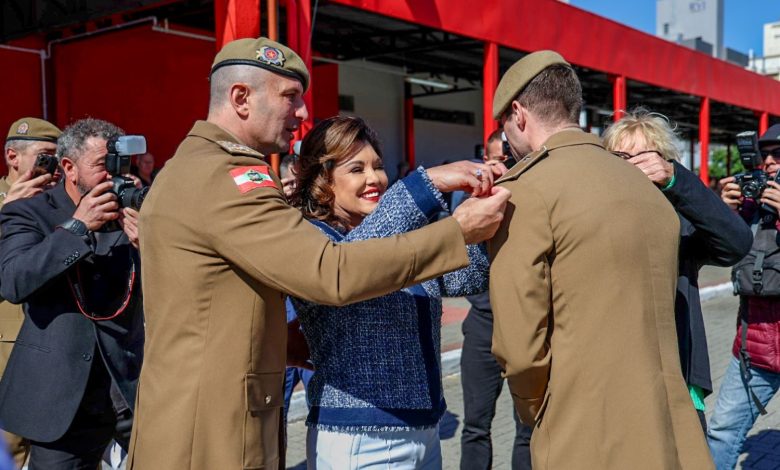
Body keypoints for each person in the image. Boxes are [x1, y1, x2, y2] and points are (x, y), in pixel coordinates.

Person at [128, 37, 509, 470]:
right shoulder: (225, 177)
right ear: (240, 98)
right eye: (290, 97)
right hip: (211, 433)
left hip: (214, 421)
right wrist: (442, 213)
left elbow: (214, 301)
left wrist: (275, 340)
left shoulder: (199, 168)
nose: (303, 112)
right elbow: (334, 271)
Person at [488, 50, 714, 469]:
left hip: (585, 428)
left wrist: (536, 408)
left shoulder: (527, 190)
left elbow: (520, 349)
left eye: (503, 123)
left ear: (518, 114)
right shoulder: (646, 186)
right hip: (667, 421)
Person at [286, 115, 499, 469]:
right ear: (324, 180)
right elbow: (354, 263)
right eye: (357, 169)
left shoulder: (395, 237)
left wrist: (483, 217)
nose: (375, 179)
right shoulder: (315, 241)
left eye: (379, 166)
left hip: (422, 431)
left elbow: (465, 280)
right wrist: (425, 182)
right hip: (361, 439)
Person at [0, 118, 143, 469]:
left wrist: (150, 244)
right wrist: (77, 227)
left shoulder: (136, 211)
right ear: (69, 168)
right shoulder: (29, 212)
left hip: (130, 387)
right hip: (61, 398)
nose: (112, 177)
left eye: (119, 166)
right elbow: (14, 282)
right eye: (101, 166)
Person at [602, 108, 752, 432]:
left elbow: (736, 243)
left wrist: (676, 180)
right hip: (612, 381)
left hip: (676, 376)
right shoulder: (595, 218)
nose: (633, 166)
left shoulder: (679, 221)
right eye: (620, 156)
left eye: (645, 157)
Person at [707, 123, 780, 470]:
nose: (768, 162)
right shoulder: (755, 206)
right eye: (764, 155)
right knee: (721, 431)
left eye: (778, 155)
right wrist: (725, 212)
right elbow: (715, 253)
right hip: (755, 349)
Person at [459, 128, 532, 470]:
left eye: (509, 158)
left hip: (525, 326)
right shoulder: (473, 202)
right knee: (475, 425)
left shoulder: (532, 197)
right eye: (496, 159)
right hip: (483, 326)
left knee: (528, 428)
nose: (503, 165)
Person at [0, 117, 61, 469]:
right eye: (44, 156)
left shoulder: (64, 202)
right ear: (13, 156)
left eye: (57, 157)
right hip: (7, 352)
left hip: (54, 350)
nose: (52, 167)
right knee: (9, 450)